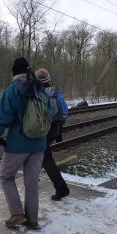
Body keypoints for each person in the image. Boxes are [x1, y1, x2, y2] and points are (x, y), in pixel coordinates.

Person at [0, 57, 47, 230]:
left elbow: (4, 117)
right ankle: (33, 220)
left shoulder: (12, 90)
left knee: (6, 176)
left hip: (18, 145)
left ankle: (17, 213)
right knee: (32, 182)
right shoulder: (40, 89)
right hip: (39, 144)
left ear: (14, 73)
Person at [35, 68, 70, 201]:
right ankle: (34, 180)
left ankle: (62, 189)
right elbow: (62, 113)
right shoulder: (55, 91)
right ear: (48, 79)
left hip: (43, 131)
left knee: (45, 158)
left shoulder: (38, 93)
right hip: (54, 130)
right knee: (38, 155)